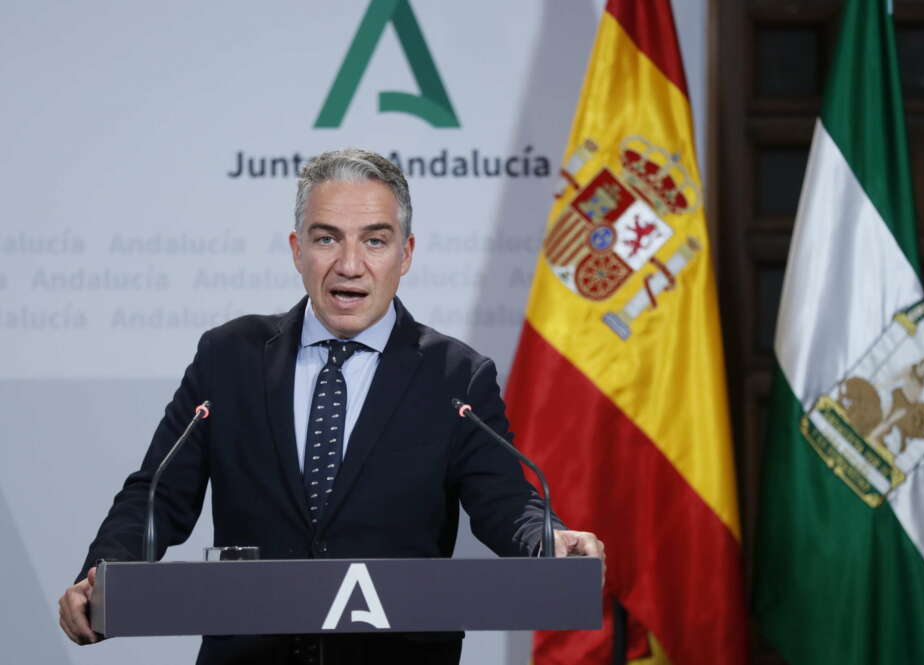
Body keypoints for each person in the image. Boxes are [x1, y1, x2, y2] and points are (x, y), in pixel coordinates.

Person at [58, 149, 604, 664]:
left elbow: (505, 501)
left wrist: (548, 541)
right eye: (327, 239)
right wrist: (103, 577)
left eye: (374, 241)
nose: (349, 264)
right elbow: (156, 497)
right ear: (297, 250)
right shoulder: (229, 358)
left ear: (405, 254)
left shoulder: (455, 376)